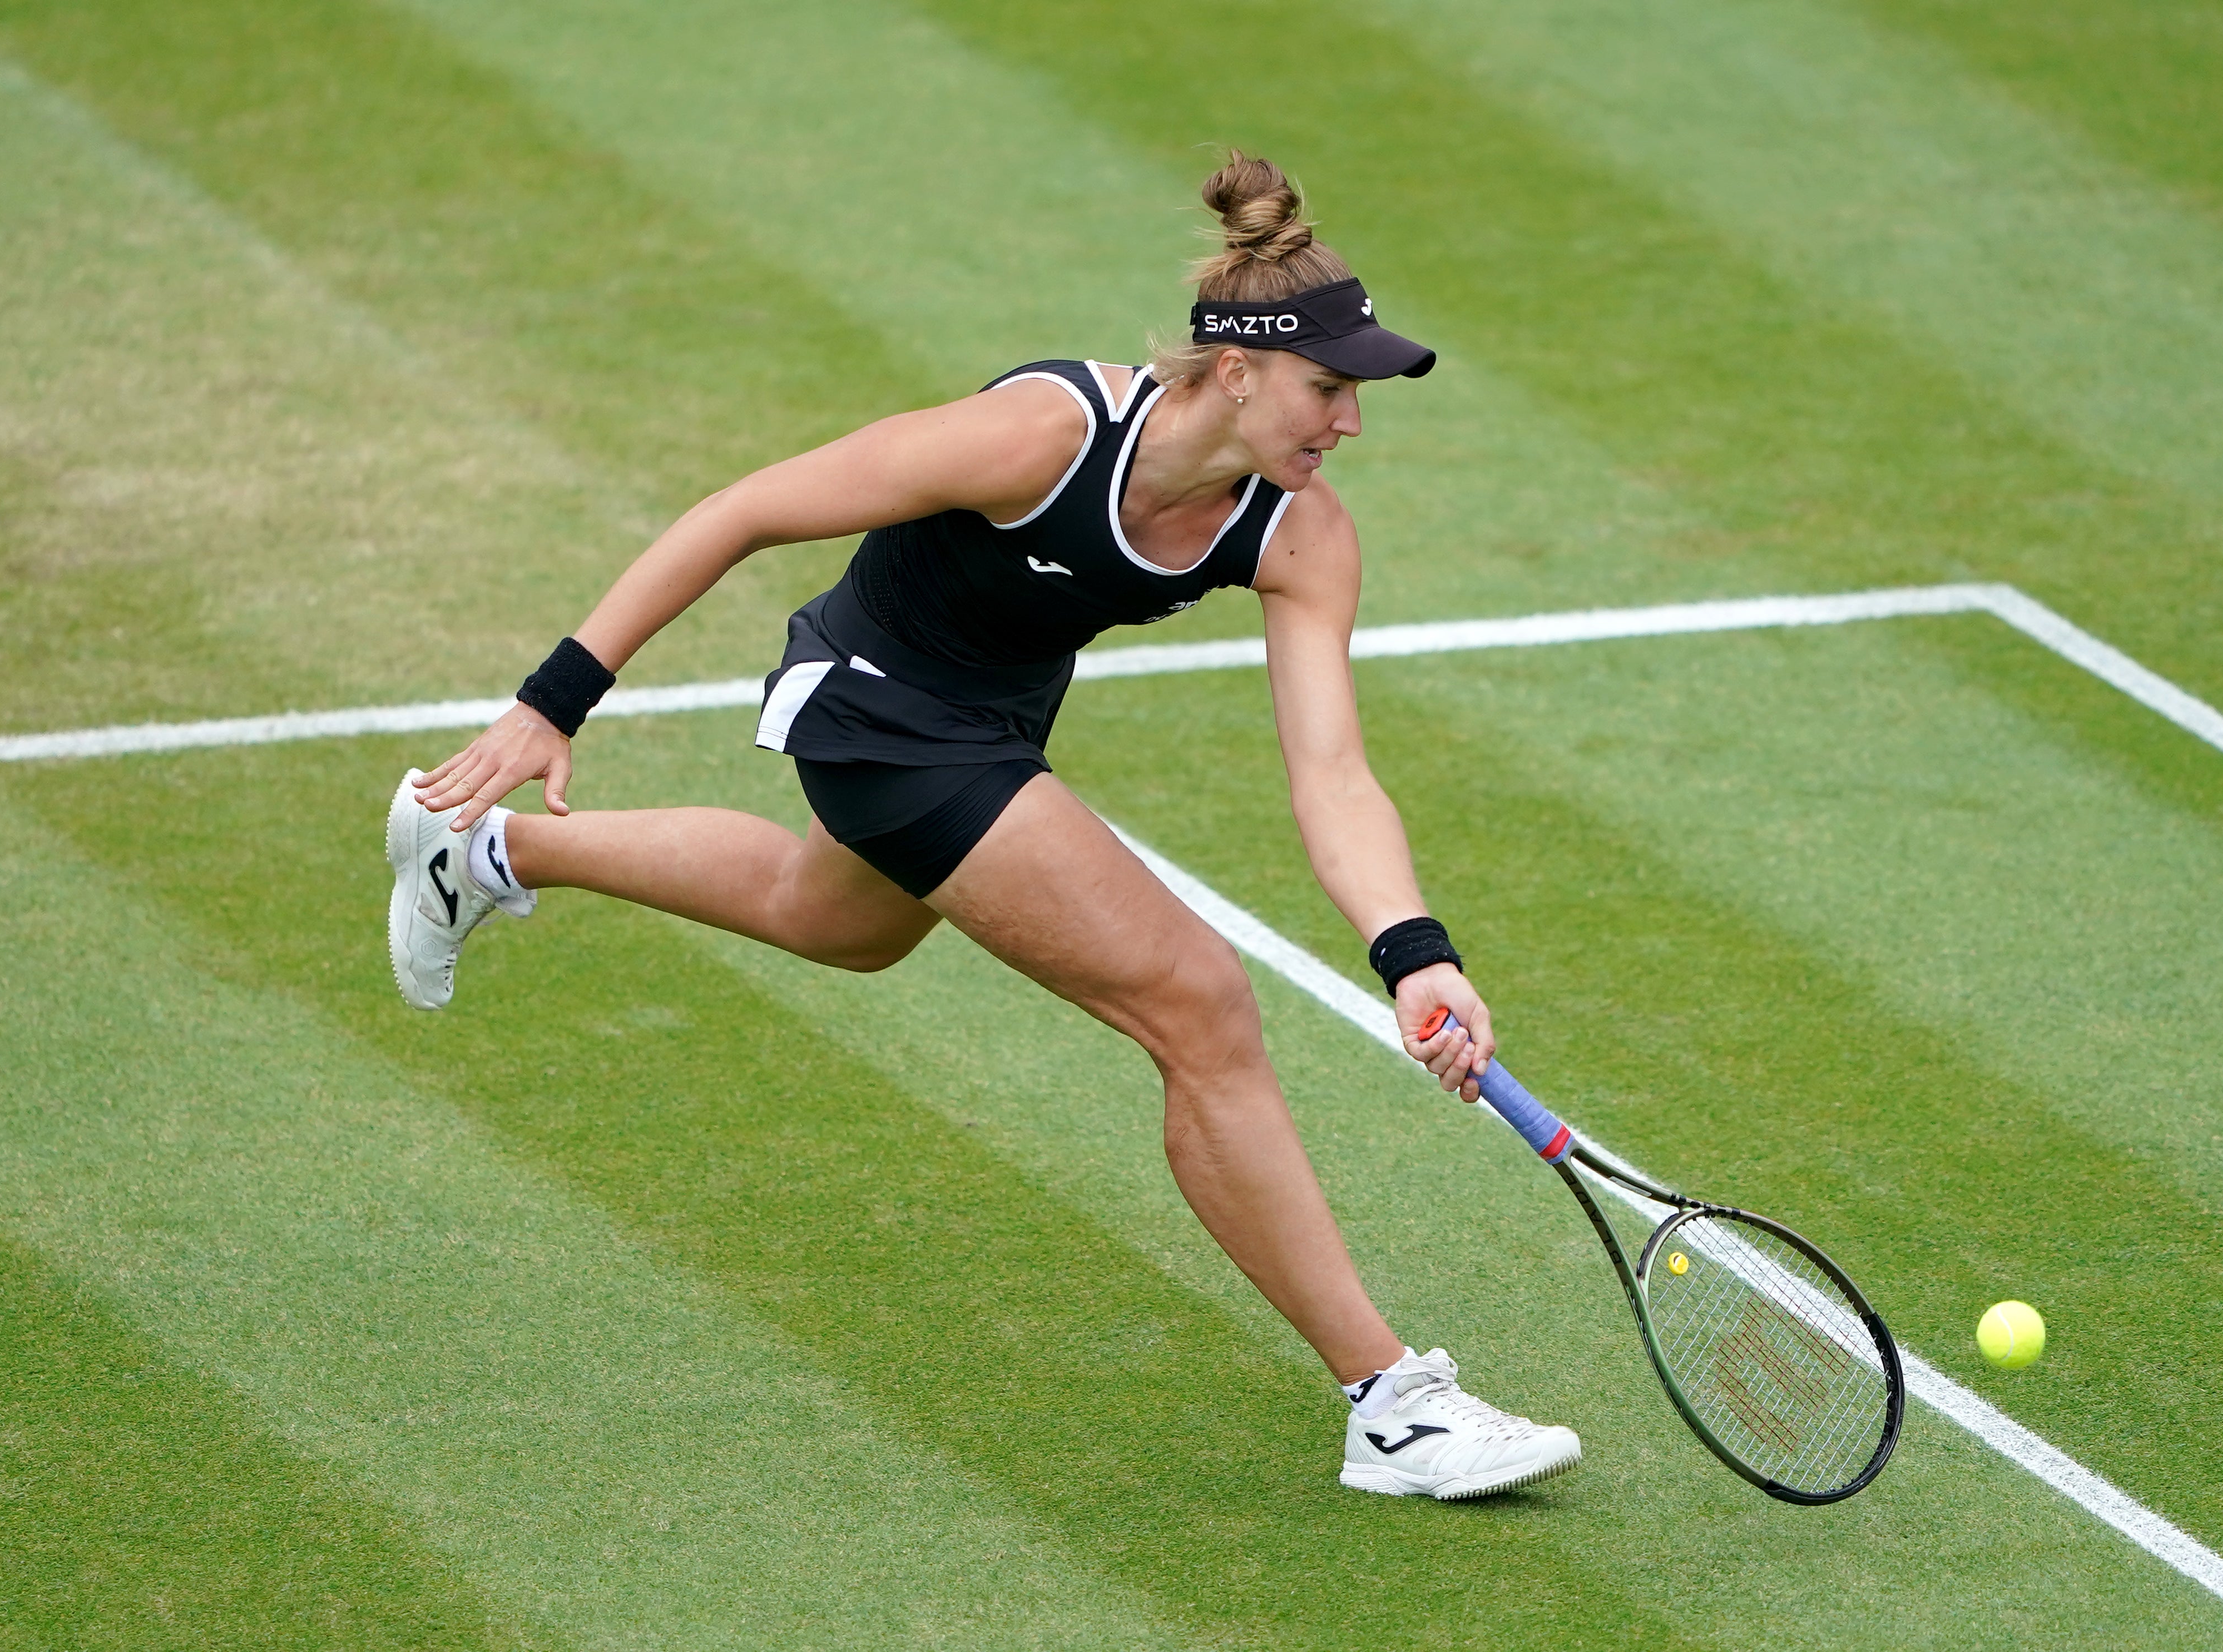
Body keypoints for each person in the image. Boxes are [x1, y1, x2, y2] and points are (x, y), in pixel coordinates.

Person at [385, 153, 1582, 1500]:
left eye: (1356, 393)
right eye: (1328, 387)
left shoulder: (1299, 531)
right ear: (1238, 374)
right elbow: (745, 511)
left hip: (990, 723)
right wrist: (553, 704)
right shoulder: (1041, 435)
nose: (1348, 421)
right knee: (1200, 1006)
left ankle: (482, 849)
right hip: (876, 707)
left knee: (828, 919)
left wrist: (1410, 947)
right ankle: (1391, 1406)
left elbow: (1333, 772)